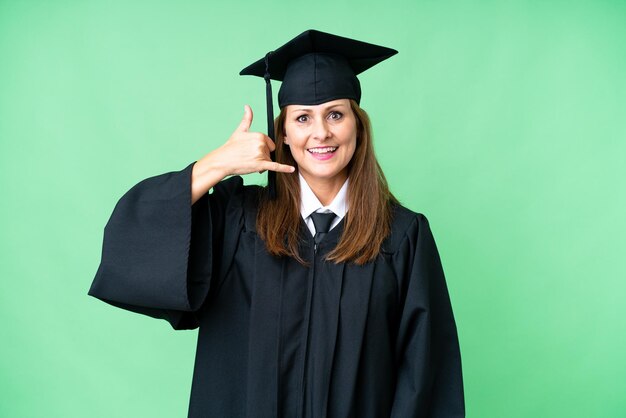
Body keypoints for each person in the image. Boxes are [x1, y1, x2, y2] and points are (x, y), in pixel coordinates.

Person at [89, 29, 465, 418]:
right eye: (303, 118)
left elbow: (426, 377)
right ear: (283, 132)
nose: (321, 132)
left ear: (358, 126)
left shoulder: (401, 236)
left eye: (335, 114)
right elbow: (133, 243)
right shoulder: (237, 220)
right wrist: (218, 164)